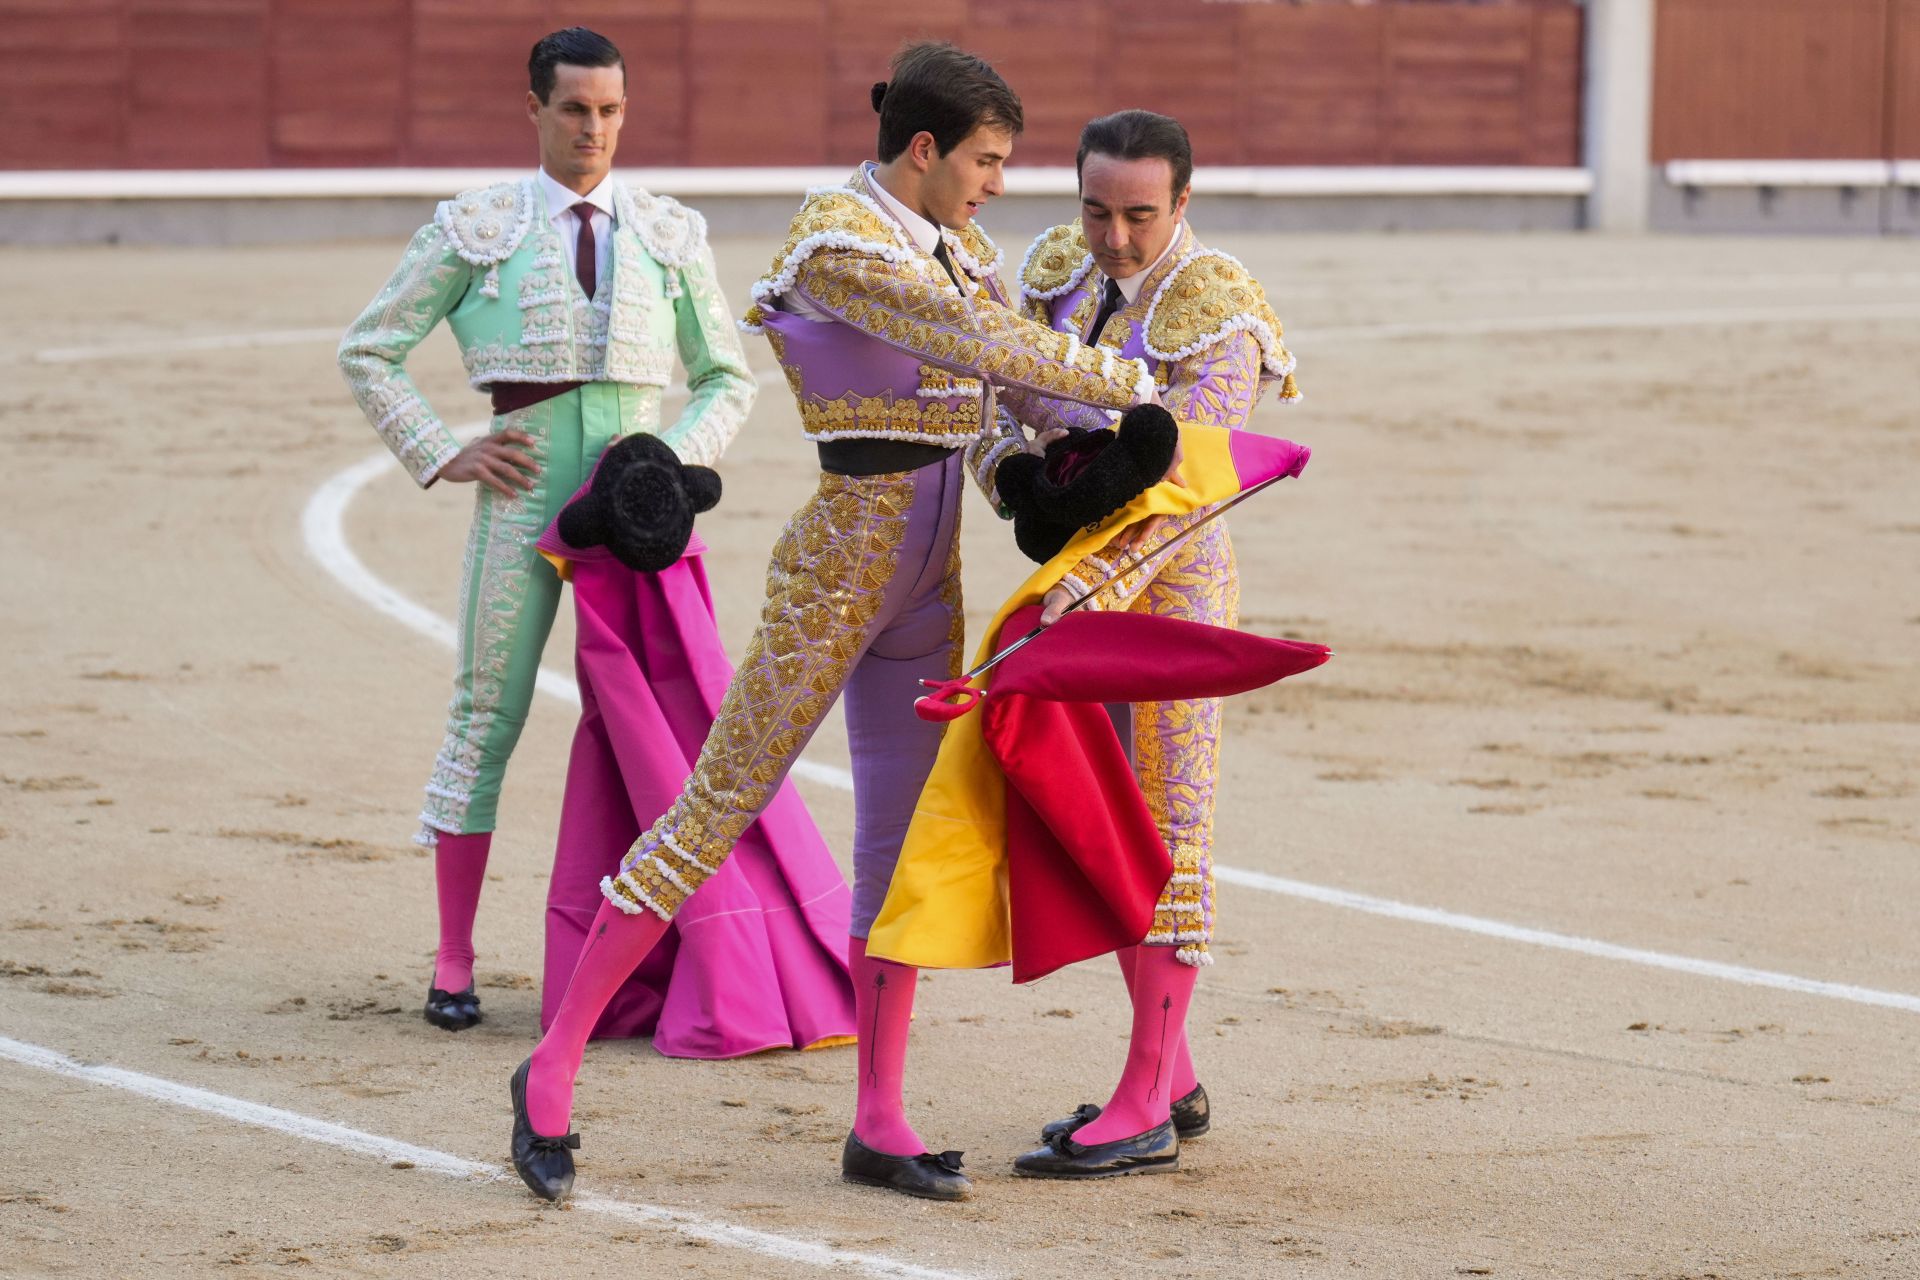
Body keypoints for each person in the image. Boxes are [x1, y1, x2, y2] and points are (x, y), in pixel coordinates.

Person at [507, 41, 1160, 1205]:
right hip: (841, 567)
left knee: (899, 846)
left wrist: (1118, 440)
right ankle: (548, 1071)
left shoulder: (960, 249)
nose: (999, 185)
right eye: (987, 161)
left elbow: (1018, 390)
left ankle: (880, 1115)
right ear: (924, 149)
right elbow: (982, 346)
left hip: (929, 571)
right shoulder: (837, 244)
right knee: (718, 803)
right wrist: (1133, 388)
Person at [337, 27, 755, 1032]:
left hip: (637, 513)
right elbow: (370, 348)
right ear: (534, 108)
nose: (594, 129)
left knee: (663, 729)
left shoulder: (668, 231)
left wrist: (675, 466)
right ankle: (452, 955)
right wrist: (444, 449)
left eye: (610, 110)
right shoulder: (476, 225)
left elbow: (727, 377)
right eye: (574, 109)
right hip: (522, 498)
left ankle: (673, 955)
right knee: (488, 713)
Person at [1006, 109, 1301, 1177]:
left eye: (1139, 215)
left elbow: (1187, 488)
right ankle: (1167, 1072)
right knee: (1107, 824)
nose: (1115, 237)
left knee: (1168, 826)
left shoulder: (1218, 308)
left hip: (1170, 599)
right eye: (1096, 210)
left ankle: (1142, 1102)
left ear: (1183, 203)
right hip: (1077, 590)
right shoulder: (1055, 270)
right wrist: (1020, 470)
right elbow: (1007, 391)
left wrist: (1078, 577)